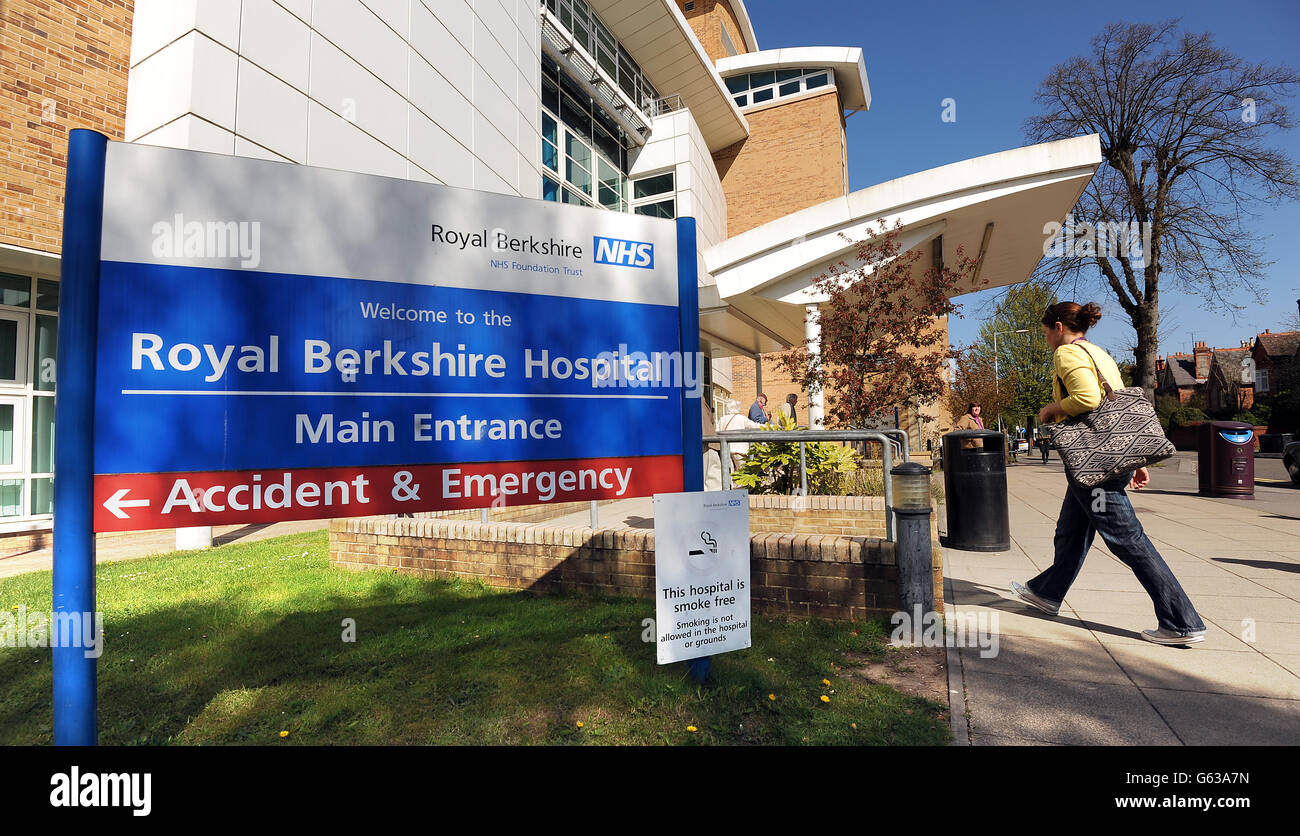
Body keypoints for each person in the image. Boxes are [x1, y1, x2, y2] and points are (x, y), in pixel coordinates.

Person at [1010, 301, 1207, 646]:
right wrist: (1135, 460)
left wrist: (1050, 410)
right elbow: (1120, 411)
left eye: (1045, 332)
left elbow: (1087, 398)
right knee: (1071, 532)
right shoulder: (1099, 353)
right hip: (1096, 463)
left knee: (1128, 540)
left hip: (1093, 464)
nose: (1045, 339)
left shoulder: (1067, 354)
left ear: (1058, 327)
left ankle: (1180, 621)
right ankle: (1047, 593)